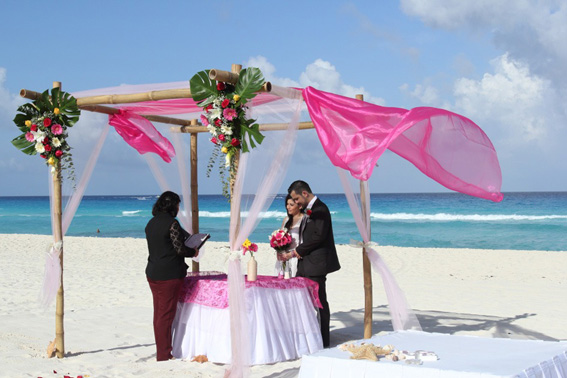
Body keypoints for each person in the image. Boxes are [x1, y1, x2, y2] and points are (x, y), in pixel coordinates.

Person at [283, 180, 340, 347]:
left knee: (319, 301)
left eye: (297, 199)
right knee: (301, 300)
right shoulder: (310, 210)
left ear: (305, 194)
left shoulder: (321, 209)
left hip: (316, 264)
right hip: (304, 263)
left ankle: (323, 339)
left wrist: (295, 252)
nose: (296, 203)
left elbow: (318, 237)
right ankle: (307, 335)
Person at [145, 191, 198, 361]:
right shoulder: (172, 223)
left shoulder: (151, 223)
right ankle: (164, 354)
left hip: (153, 272)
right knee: (166, 315)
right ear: (173, 206)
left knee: (159, 314)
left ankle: (163, 350)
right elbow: (180, 249)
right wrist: (193, 251)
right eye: (177, 205)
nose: (178, 208)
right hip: (168, 274)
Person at [275, 194, 304, 277]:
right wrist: (279, 251)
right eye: (287, 204)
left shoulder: (304, 219)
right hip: (283, 259)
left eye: (291, 205)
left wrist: (291, 254)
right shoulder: (286, 219)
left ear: (300, 206)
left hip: (296, 259)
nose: (288, 207)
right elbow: (280, 238)